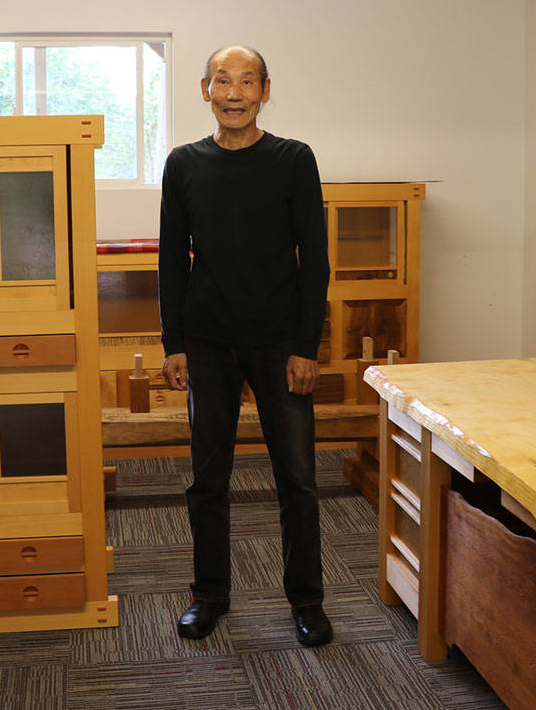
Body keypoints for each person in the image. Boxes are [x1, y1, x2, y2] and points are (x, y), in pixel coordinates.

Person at [158, 45, 332, 646]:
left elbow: (316, 260)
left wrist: (308, 344)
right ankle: (209, 595)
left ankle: (307, 600)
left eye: (247, 81)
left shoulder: (293, 160)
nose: (235, 93)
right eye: (223, 81)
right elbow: (171, 262)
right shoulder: (183, 164)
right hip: (207, 342)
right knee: (208, 477)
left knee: (298, 478)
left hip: (280, 341)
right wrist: (172, 342)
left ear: (264, 90)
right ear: (205, 89)